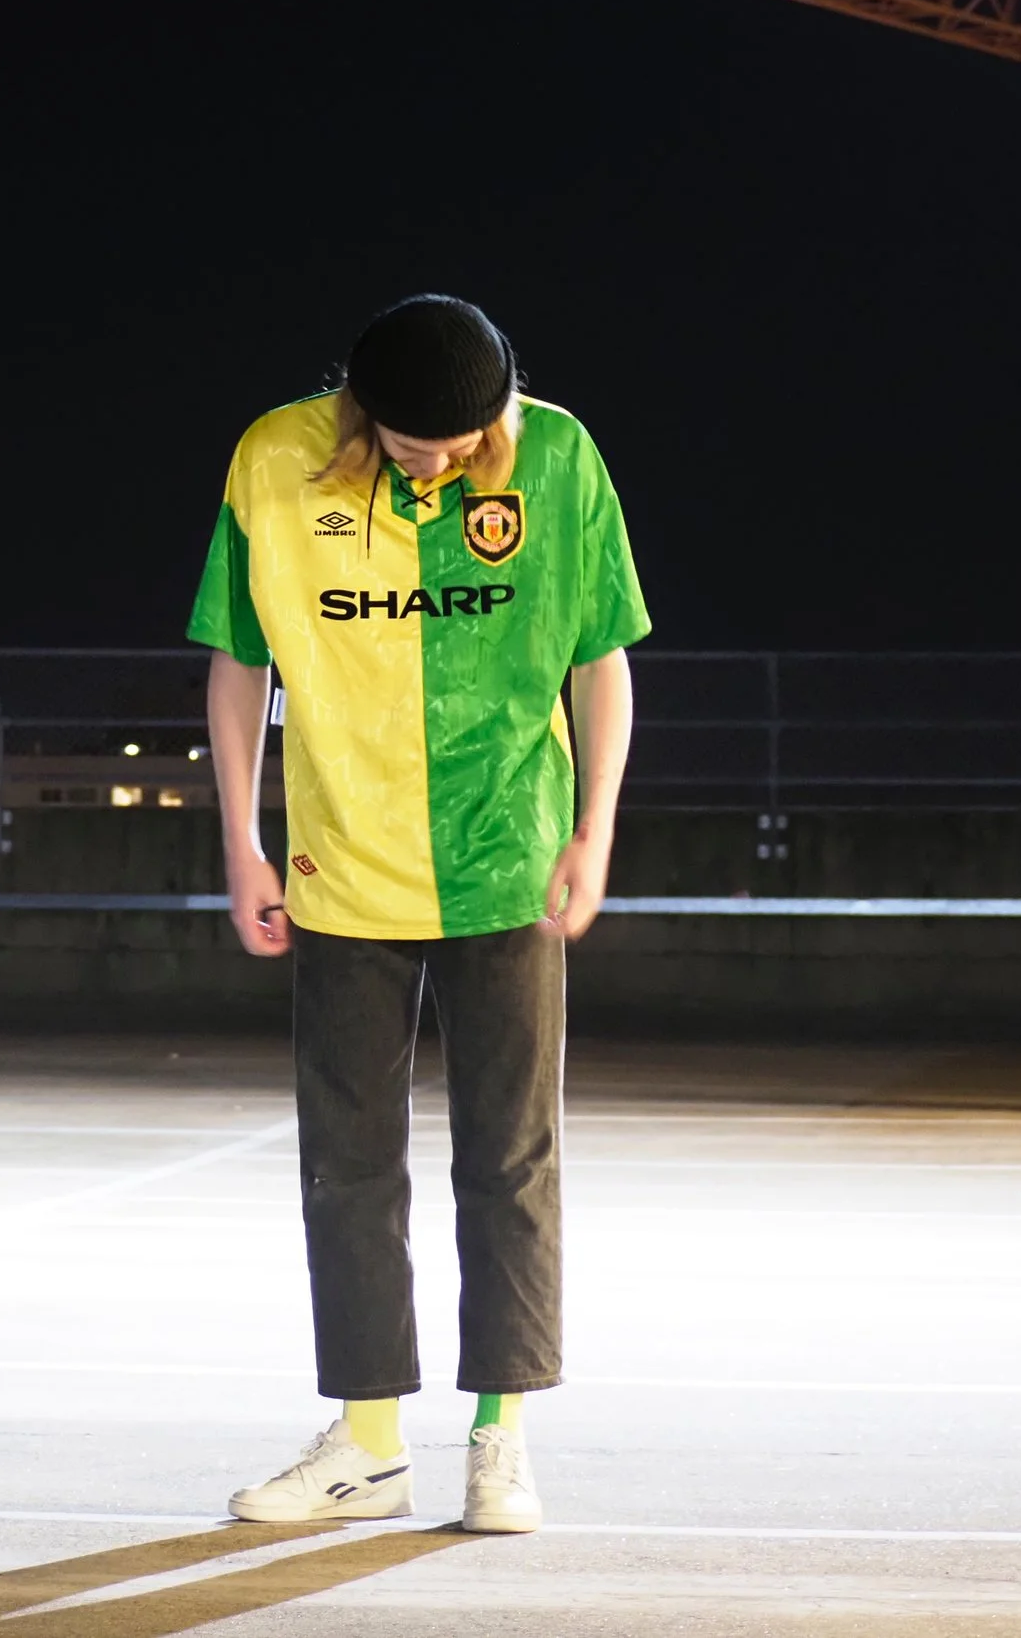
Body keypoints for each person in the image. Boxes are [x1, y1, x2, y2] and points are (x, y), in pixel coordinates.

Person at [186, 294, 647, 1534]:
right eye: (410, 448)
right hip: (340, 864)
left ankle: (501, 1437)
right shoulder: (272, 459)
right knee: (345, 1167)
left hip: (507, 860)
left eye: (462, 442)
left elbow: (600, 654)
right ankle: (369, 1445)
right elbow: (240, 660)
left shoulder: (557, 455)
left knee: (509, 1159)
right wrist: (240, 839)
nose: (439, 463)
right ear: (360, 412)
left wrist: (594, 827)